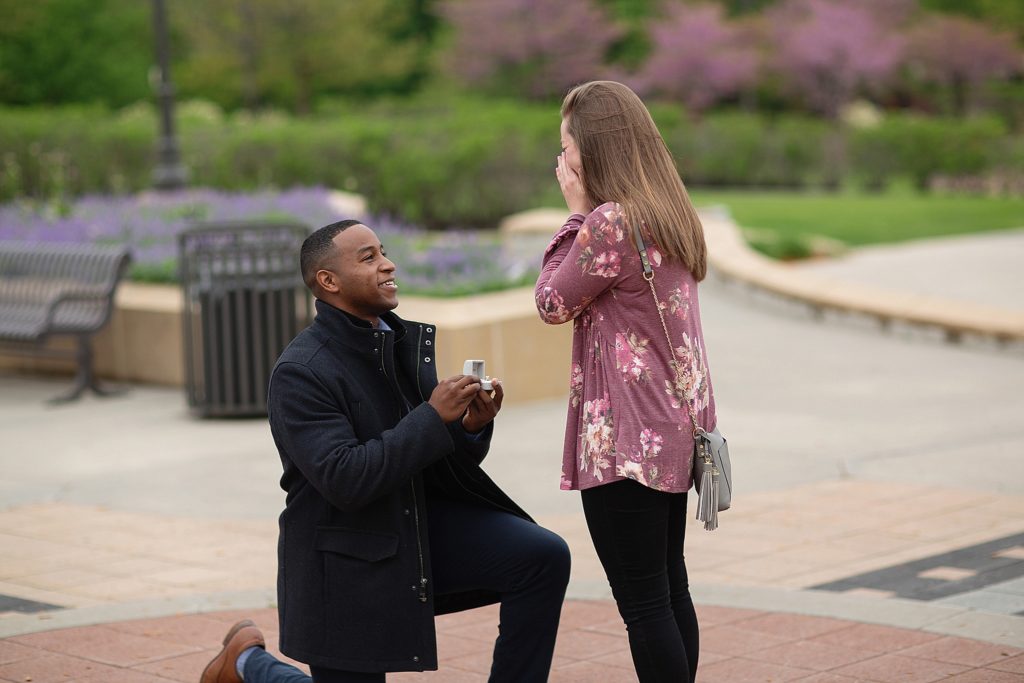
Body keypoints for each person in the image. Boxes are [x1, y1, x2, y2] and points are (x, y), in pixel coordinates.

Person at [201, 219, 571, 683]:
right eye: (368, 257)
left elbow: (424, 460)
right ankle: (249, 665)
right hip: (344, 561)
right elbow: (347, 479)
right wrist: (433, 417)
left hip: (409, 527)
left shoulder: (395, 345)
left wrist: (469, 429)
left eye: (383, 251)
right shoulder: (300, 371)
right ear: (328, 282)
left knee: (541, 556)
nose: (388, 264)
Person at [534, 81, 717, 682]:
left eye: (566, 147)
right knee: (669, 590)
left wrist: (575, 210)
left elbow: (551, 302)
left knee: (644, 606)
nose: (561, 160)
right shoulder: (669, 209)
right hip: (672, 431)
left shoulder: (609, 223)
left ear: (592, 150)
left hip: (624, 439)